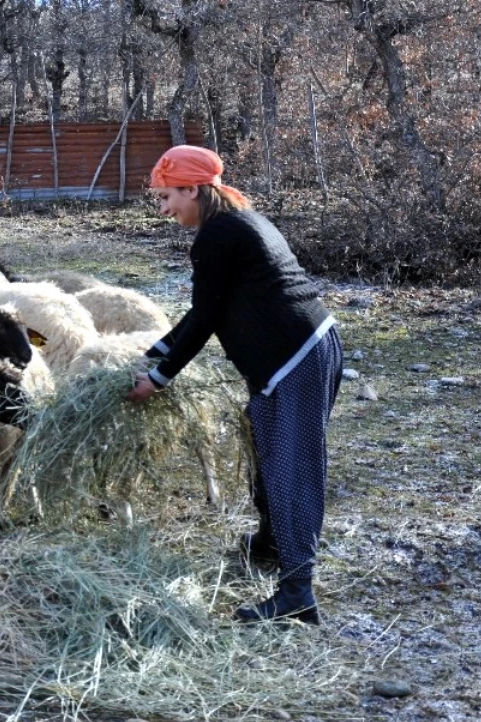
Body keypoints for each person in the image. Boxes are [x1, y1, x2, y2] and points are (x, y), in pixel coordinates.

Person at [126, 144, 342, 625]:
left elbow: (206, 317)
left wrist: (157, 380)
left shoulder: (218, 234)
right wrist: (157, 350)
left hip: (295, 358)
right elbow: (210, 307)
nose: (163, 210)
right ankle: (269, 543)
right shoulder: (237, 222)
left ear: (195, 189)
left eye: (167, 198)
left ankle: (297, 594)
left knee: (293, 470)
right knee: (264, 444)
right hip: (297, 352)